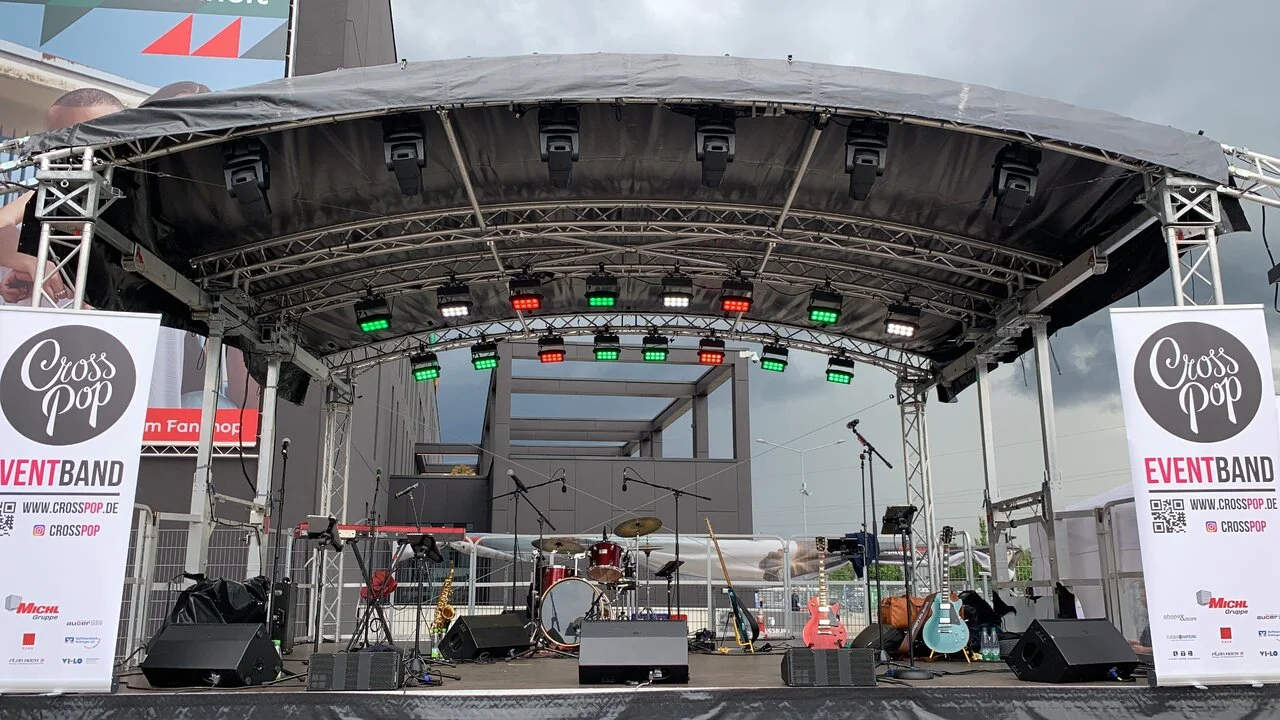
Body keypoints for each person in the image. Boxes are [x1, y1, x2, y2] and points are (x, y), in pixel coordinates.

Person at [0, 87, 124, 304]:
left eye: (87, 143)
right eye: (58, 141)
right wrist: (32, 263)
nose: (72, 155)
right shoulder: (51, 192)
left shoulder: (145, 201)